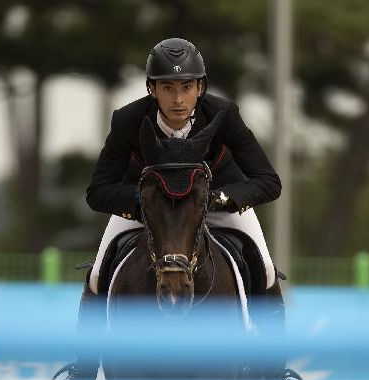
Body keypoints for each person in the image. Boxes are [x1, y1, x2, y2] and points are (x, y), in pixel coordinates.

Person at [85, 37, 283, 298]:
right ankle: (90, 339)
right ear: (151, 89)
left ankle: (269, 338)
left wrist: (221, 199)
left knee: (266, 271)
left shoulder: (224, 115)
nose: (178, 99)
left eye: (186, 87)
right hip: (149, 209)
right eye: (167, 88)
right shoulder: (127, 120)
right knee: (97, 276)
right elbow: (97, 191)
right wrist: (144, 201)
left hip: (214, 202)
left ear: (199, 87)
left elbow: (269, 182)